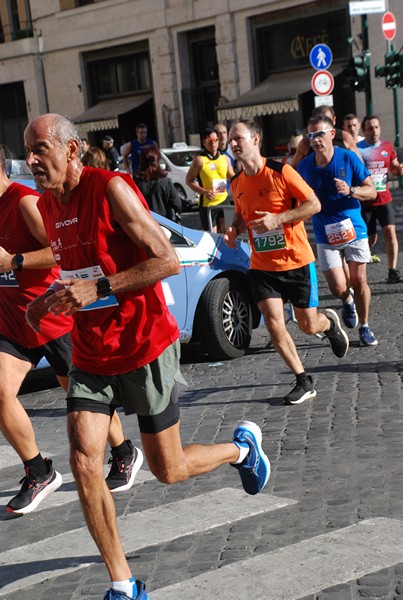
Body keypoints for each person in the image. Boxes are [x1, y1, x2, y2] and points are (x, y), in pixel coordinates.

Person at [24, 113, 270, 600]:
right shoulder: (49, 206)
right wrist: (47, 299)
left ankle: (242, 450)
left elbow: (167, 260)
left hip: (144, 345)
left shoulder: (110, 188)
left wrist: (98, 287)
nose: (31, 160)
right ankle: (123, 583)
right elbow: (76, 270)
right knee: (82, 460)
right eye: (27, 151)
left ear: (71, 151)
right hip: (92, 355)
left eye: (41, 150)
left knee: (168, 469)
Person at [0, 145, 140, 512]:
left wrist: (13, 260)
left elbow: (56, 252)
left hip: (55, 318)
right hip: (15, 322)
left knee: (84, 400)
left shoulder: (24, 201)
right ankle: (38, 470)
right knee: (0, 393)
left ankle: (124, 452)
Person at [224, 119, 349, 406]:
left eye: (237, 138)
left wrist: (277, 219)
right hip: (262, 266)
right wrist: (234, 229)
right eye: (231, 139)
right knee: (273, 322)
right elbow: (241, 216)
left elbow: (314, 204)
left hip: (296, 261)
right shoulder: (236, 183)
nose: (232, 144)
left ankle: (327, 325)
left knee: (307, 324)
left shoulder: (282, 172)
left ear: (255, 140)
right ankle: (303, 379)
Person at [297, 114, 378, 347]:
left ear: (332, 134)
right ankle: (347, 300)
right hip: (325, 233)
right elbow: (292, 191)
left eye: (320, 134)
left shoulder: (348, 158)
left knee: (359, 279)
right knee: (337, 287)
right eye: (311, 135)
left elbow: (371, 192)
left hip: (355, 230)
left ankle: (364, 326)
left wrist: (351, 190)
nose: (316, 140)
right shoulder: (304, 167)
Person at [357, 115, 403, 284]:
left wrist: (398, 170)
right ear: (364, 131)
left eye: (376, 127)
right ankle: (357, 270)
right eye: (370, 128)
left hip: (384, 198)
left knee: (390, 232)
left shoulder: (387, 147)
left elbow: (393, 166)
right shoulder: (358, 149)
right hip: (365, 201)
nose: (374, 131)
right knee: (370, 239)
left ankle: (393, 270)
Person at [185, 128, 235, 233]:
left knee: (227, 233)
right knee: (213, 236)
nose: (214, 143)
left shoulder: (225, 158)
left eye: (216, 140)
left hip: (223, 200)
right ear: (204, 142)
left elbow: (233, 178)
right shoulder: (200, 160)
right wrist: (204, 191)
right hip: (208, 204)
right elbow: (189, 181)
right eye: (210, 141)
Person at [291, 105, 362, 169]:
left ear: (334, 120)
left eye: (328, 120)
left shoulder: (344, 136)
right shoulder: (306, 142)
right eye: (320, 120)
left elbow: (360, 165)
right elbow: (292, 170)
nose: (323, 123)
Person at [133, 144, 182, 221]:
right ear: (158, 160)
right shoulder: (165, 181)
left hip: (142, 225)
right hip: (164, 225)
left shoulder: (135, 182)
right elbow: (177, 204)